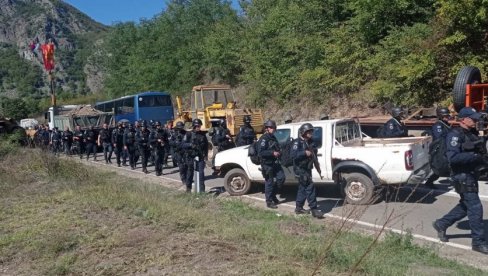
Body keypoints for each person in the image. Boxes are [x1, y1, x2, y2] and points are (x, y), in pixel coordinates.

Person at [432, 107, 488, 254]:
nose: (476, 120)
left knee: (466, 205)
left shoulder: (473, 134)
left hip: (471, 174)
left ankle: (441, 223)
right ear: (463, 119)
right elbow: (453, 158)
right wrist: (475, 156)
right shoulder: (454, 135)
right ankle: (478, 242)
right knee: (475, 207)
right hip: (461, 176)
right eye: (473, 118)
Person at [291, 123, 323, 218]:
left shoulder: (310, 142)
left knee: (302, 188)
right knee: (310, 187)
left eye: (311, 131)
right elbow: (293, 155)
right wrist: (304, 153)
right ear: (303, 132)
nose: (310, 133)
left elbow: (314, 156)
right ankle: (314, 209)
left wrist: (318, 168)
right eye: (308, 131)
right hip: (300, 169)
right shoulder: (297, 143)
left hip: (308, 168)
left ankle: (299, 208)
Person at [257, 120, 285, 209]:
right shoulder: (263, 139)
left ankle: (273, 195)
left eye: (274, 128)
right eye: (272, 128)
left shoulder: (273, 138)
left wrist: (280, 152)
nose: (273, 129)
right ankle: (269, 201)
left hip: (275, 162)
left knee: (281, 178)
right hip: (267, 164)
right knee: (269, 182)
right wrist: (272, 153)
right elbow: (261, 152)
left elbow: (277, 147)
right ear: (267, 129)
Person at [424, 107, 451, 189]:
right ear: (441, 116)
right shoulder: (438, 125)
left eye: (447, 115)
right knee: (439, 167)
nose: (447, 117)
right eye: (445, 116)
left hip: (445, 148)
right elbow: (439, 137)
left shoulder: (445, 124)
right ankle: (429, 182)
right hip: (439, 149)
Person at [182, 119, 208, 193]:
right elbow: (182, 144)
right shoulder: (188, 134)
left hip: (200, 156)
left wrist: (205, 156)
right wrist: (190, 145)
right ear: (194, 126)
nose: (198, 127)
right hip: (190, 156)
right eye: (197, 126)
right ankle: (188, 188)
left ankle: (202, 190)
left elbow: (206, 146)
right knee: (190, 172)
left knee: (201, 173)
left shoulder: (202, 135)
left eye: (199, 126)